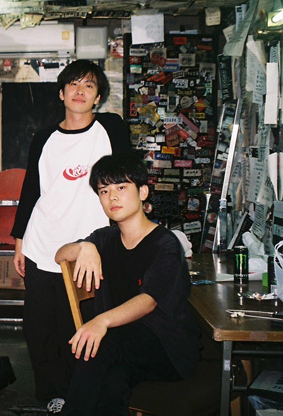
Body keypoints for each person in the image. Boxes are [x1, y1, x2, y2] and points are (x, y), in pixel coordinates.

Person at [10, 59, 131, 414]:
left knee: (82, 323)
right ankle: (54, 393)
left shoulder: (111, 128)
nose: (80, 91)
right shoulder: (44, 138)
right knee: (40, 327)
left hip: (92, 248)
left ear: (98, 97)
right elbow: (31, 190)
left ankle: (83, 392)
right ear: (62, 93)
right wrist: (19, 241)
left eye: (89, 86)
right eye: (73, 85)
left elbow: (127, 179)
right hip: (43, 243)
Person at [54, 154, 201, 415]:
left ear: (143, 192)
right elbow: (60, 255)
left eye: (121, 187)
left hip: (167, 348)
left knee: (100, 344)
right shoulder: (104, 238)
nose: (112, 197)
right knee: (111, 383)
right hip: (123, 347)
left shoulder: (164, 243)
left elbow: (148, 301)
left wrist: (101, 321)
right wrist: (85, 246)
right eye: (104, 190)